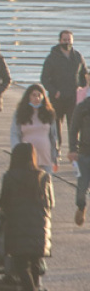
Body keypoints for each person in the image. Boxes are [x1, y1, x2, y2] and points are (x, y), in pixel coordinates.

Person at [0, 143, 53, 291]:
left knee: (21, 265)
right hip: (39, 229)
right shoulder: (44, 177)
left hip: (17, 230)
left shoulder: (9, 176)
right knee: (35, 265)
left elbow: (3, 203)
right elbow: (50, 204)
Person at [40, 30, 88, 149]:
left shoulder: (77, 56)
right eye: (64, 40)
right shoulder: (52, 57)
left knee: (74, 124)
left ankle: (74, 149)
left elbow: (84, 75)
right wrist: (54, 91)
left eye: (69, 40)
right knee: (56, 125)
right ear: (60, 41)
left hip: (73, 97)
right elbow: (44, 78)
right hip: (57, 97)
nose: (67, 42)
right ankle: (57, 148)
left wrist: (82, 89)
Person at [10, 84, 60, 176]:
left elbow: (53, 136)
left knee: (45, 185)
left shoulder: (49, 113)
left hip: (45, 155)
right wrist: (16, 150)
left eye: (39, 95)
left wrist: (55, 156)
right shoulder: (20, 113)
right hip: (26, 156)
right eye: (34, 95)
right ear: (28, 96)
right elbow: (14, 133)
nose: (36, 98)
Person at [69, 89, 90, 225]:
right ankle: (81, 207)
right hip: (84, 153)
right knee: (81, 187)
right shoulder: (82, 107)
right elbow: (73, 130)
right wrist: (72, 149)